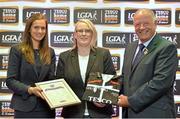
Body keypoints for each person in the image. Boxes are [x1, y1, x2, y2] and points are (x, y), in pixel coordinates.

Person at [118, 8, 178, 118]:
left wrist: (130, 101)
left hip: (155, 114)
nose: (141, 27)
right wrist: (104, 94)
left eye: (146, 23)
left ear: (155, 24)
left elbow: (160, 82)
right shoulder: (130, 47)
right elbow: (124, 78)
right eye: (137, 24)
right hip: (130, 115)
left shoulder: (166, 47)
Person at [56, 19, 116, 118]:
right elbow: (60, 85)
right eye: (80, 31)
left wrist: (105, 100)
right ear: (75, 34)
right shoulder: (64, 57)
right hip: (73, 114)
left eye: (87, 31)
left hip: (100, 114)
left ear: (92, 34)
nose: (84, 34)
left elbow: (112, 81)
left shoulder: (103, 54)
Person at [6, 13, 56, 118]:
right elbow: (10, 80)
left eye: (43, 28)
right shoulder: (17, 50)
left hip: (46, 108)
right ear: (29, 29)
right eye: (36, 27)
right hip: (24, 108)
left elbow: (52, 80)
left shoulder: (50, 52)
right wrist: (29, 89)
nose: (40, 31)